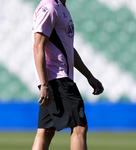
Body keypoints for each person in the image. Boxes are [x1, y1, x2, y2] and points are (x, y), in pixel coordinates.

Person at [32, 0, 104, 149]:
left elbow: (68, 48)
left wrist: (89, 75)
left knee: (46, 131)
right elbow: (38, 46)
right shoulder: (50, 8)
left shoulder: (61, 7)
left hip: (56, 79)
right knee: (79, 127)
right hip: (58, 79)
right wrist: (44, 85)